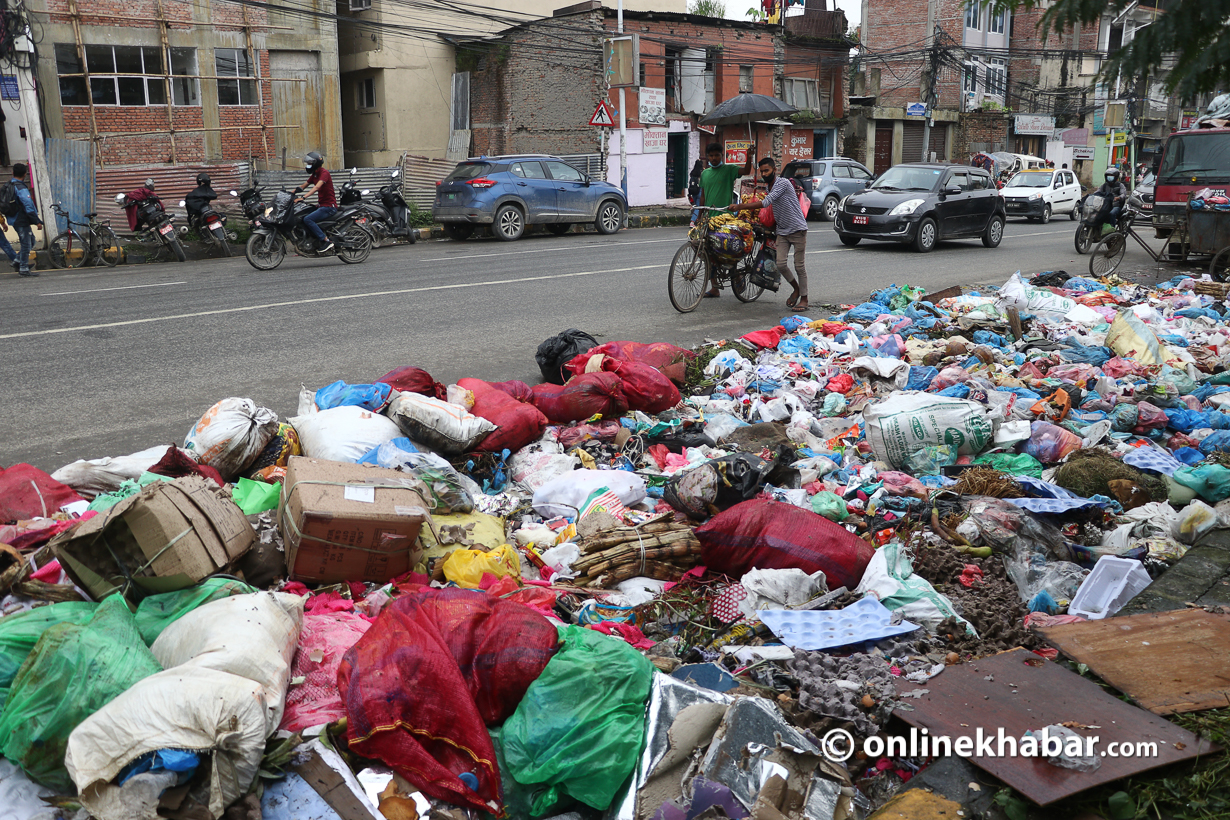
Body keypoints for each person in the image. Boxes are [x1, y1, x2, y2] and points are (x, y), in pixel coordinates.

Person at [730, 156, 809, 311]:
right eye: (762, 171)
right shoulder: (768, 187)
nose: (764, 174)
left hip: (797, 229)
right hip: (782, 231)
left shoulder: (782, 183)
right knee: (780, 264)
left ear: (774, 170)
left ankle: (804, 299)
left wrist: (740, 207)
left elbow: (766, 203)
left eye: (767, 170)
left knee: (799, 266)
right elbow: (771, 208)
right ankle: (796, 289)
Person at [693, 142, 752, 228]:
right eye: (711, 155)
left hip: (725, 216)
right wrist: (699, 216)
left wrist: (749, 157)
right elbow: (703, 196)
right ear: (708, 157)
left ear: (722, 155)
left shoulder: (730, 169)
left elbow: (746, 171)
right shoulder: (704, 173)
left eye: (717, 155)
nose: (714, 158)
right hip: (708, 217)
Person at [298, 151, 336, 252]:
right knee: (302, 215)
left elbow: (316, 187)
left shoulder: (324, 173)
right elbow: (303, 186)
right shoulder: (315, 174)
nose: (308, 166)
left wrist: (303, 197)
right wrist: (289, 193)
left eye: (310, 164)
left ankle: (326, 241)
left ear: (316, 164)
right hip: (321, 205)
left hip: (329, 207)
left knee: (308, 219)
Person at [10, 163, 42, 278]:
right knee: (26, 243)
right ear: (25, 174)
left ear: (13, 173)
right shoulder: (20, 188)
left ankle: (17, 261)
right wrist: (37, 221)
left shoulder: (9, 185)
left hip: (13, 219)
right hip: (21, 219)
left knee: (31, 240)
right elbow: (28, 205)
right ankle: (23, 268)